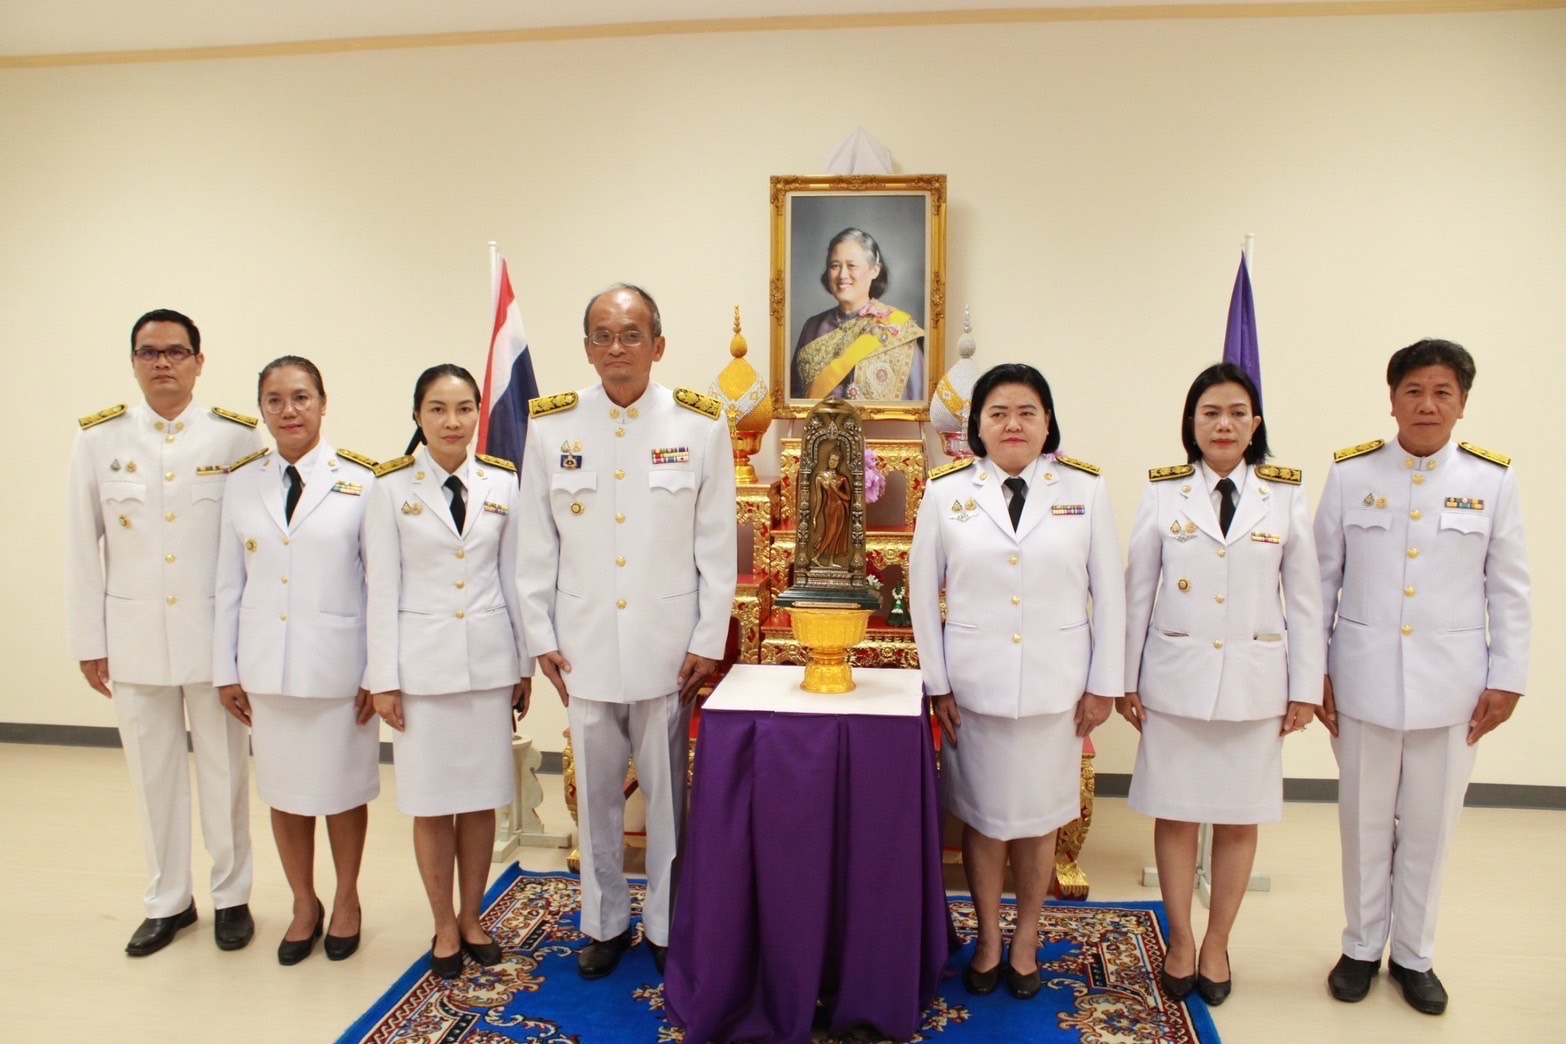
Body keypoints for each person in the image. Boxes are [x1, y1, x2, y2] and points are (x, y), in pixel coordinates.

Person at [516, 284, 736, 979]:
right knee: (597, 795)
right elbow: (535, 543)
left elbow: (715, 545)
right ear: (586, 348)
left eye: (632, 334)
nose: (618, 348)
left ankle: (667, 923)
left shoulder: (698, 425)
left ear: (658, 345)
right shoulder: (552, 427)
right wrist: (539, 633)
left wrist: (707, 637)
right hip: (581, 645)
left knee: (669, 796)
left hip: (667, 647)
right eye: (604, 336)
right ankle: (605, 920)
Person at [1315, 339, 1529, 1016]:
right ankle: (1358, 946)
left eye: (1442, 392)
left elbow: (1510, 589)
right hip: (1361, 681)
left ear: (1463, 403)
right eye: (1413, 390)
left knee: (1432, 828)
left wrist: (1509, 677)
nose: (1427, 404)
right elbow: (1320, 581)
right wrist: (1311, 671)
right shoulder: (1352, 474)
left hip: (1454, 688)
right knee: (1364, 820)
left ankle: (1415, 956)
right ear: (1392, 399)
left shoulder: (1491, 481)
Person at [909, 362, 1124, 1000]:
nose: (1013, 424)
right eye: (998, 412)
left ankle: (1026, 937)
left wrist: (1103, 682)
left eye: (1027, 411)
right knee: (983, 818)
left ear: (1048, 422)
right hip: (974, 691)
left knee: (1039, 819)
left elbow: (1108, 593)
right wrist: (937, 684)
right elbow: (924, 596)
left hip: (1058, 690)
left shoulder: (1084, 490)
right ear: (977, 425)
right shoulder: (946, 492)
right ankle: (988, 938)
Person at [1119, 363, 1323, 1006]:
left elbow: (1307, 599)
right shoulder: (1163, 492)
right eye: (1210, 412)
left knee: (1239, 821)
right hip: (1175, 683)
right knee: (1176, 816)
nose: (1224, 423)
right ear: (1192, 424)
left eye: (1237, 412)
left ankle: (1217, 944)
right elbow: (1135, 594)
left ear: (1255, 424)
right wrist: (1123, 680)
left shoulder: (1284, 494)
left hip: (1255, 686)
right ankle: (1181, 939)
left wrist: (1307, 687)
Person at [64, 308, 262, 956]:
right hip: (135, 637)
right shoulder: (99, 440)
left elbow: (252, 546)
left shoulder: (234, 438)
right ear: (133, 362)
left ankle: (232, 897)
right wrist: (89, 640)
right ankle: (168, 901)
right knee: (153, 777)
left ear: (199, 363)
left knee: (225, 771)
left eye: (176, 352)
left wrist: (247, 643)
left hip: (213, 640)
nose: (163, 363)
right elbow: (80, 546)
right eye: (150, 353)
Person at [364, 364, 532, 980]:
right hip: (421, 673)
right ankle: (441, 924)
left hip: (488, 666)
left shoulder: (502, 483)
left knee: (482, 800)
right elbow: (379, 590)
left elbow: (514, 580)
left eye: (463, 409)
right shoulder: (388, 490)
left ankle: (472, 916)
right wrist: (382, 678)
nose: (452, 421)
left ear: (477, 415)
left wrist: (522, 665)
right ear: (418, 416)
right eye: (438, 409)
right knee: (433, 805)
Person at [212, 356, 380, 965]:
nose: (289, 410)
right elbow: (227, 582)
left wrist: (377, 671)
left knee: (342, 792)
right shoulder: (240, 481)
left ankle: (347, 900)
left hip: (340, 669)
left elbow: (379, 585)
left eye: (301, 397)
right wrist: (224, 669)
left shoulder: (363, 480)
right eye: (275, 400)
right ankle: (303, 903)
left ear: (322, 402)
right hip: (267, 670)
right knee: (284, 793)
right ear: (263, 409)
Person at [791, 227, 925, 401]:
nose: (842, 275)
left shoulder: (898, 328)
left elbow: (919, 402)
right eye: (835, 266)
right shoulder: (812, 326)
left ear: (875, 270)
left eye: (852, 265)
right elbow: (793, 400)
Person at [808, 448, 851, 567]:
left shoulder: (842, 478)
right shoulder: (820, 477)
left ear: (839, 463)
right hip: (829, 508)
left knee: (836, 534)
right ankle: (817, 557)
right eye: (831, 460)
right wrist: (815, 515)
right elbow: (819, 498)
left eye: (836, 461)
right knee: (830, 533)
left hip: (840, 508)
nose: (833, 462)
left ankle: (831, 561)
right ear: (828, 460)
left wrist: (836, 489)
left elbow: (847, 497)